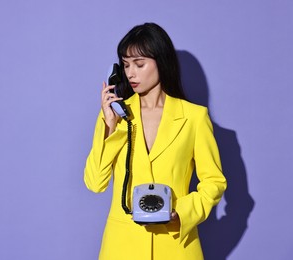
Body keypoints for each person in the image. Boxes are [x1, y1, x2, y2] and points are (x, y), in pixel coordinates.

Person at [84, 23, 227, 260]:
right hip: (122, 247)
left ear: (161, 62)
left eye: (139, 64)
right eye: (126, 65)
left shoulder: (194, 117)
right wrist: (109, 125)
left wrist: (181, 212)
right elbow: (94, 183)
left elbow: (214, 182)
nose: (131, 74)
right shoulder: (115, 116)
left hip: (176, 245)